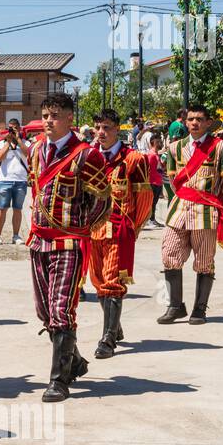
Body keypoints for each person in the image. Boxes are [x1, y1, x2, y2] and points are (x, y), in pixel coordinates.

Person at [26, 93, 111, 402]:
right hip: (38, 240)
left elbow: (102, 200)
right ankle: (74, 360)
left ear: (70, 119)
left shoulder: (87, 155)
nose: (49, 120)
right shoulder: (35, 150)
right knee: (44, 311)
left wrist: (81, 230)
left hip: (68, 243)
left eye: (56, 115)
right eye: (46, 114)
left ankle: (59, 380)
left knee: (62, 310)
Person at [158, 104, 223, 326]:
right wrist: (186, 197)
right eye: (191, 119)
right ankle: (175, 306)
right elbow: (173, 181)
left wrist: (216, 205)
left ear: (209, 122)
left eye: (200, 119)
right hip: (179, 208)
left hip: (206, 210)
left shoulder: (222, 147)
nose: (195, 123)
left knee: (204, 260)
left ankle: (199, 308)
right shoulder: (175, 148)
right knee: (169, 253)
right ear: (185, 121)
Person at [88, 110, 152, 359]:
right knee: (98, 281)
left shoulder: (134, 160)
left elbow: (145, 199)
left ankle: (108, 339)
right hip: (92, 230)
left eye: (106, 127)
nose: (101, 133)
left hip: (118, 228)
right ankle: (114, 326)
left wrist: (131, 229)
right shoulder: (89, 157)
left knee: (113, 281)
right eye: (98, 128)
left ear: (118, 130)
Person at [0, 122, 30, 245]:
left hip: (21, 180)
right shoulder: (2, 143)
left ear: (19, 129)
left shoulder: (26, 143)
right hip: (5, 180)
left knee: (17, 209)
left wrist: (18, 139)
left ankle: (16, 235)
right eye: (10, 128)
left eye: (15, 128)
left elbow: (28, 154)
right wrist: (8, 143)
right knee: (2, 208)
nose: (12, 131)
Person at [145, 134, 165, 226]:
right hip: (153, 182)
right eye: (158, 141)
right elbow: (147, 169)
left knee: (155, 202)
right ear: (153, 142)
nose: (160, 143)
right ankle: (150, 219)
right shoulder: (151, 155)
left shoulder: (156, 154)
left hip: (158, 181)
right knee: (151, 202)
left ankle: (152, 219)